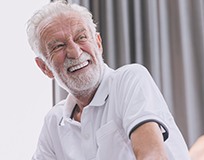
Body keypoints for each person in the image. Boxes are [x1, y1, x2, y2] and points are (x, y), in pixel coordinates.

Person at [27, 1, 190, 159]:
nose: (75, 52)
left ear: (98, 43)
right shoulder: (54, 121)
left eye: (81, 37)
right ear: (44, 67)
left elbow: (153, 156)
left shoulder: (129, 79)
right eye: (58, 46)